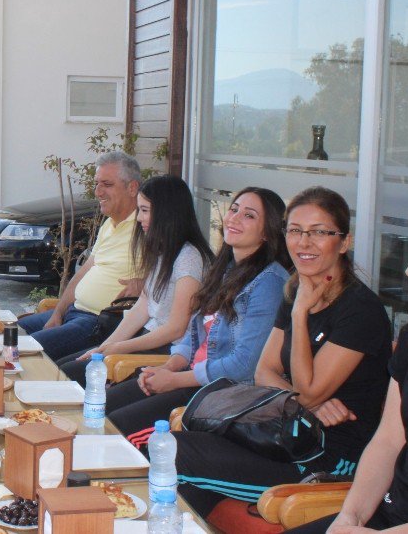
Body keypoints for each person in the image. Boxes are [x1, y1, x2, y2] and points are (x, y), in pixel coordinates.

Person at [173, 187, 392, 518]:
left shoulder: (360, 309)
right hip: (283, 434)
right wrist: (304, 401)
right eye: (295, 231)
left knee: (172, 456)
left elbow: (308, 390)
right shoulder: (296, 289)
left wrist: (301, 316)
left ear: (343, 242)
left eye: (319, 232)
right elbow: (265, 371)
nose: (304, 243)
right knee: (175, 450)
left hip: (329, 458)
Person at [105, 187, 291, 449]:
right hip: (189, 375)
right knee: (104, 404)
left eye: (249, 216)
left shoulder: (268, 284)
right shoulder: (225, 269)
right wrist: (171, 366)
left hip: (220, 393)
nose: (235, 218)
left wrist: (176, 379)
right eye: (234, 209)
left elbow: (244, 365)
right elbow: (195, 331)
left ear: (267, 232)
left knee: (117, 429)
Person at [287, 251, 408, 534]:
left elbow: (307, 393)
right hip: (389, 513)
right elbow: (389, 440)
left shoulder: (360, 310)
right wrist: (351, 516)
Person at [55, 175, 212, 386]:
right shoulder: (161, 251)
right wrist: (105, 347)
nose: (138, 218)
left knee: (70, 376)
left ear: (168, 213)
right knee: (65, 368)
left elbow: (176, 328)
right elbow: (142, 307)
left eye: (145, 210)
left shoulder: (190, 258)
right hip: (145, 337)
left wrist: (119, 348)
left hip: (167, 350)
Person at [17, 151, 144, 361]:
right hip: (73, 312)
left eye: (107, 184)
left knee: (22, 351)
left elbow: (175, 275)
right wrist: (58, 312)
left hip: (97, 322)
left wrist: (145, 283)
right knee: (6, 331)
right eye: (97, 184)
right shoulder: (109, 224)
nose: (98, 192)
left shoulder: (146, 228)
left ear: (132, 188)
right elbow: (83, 273)